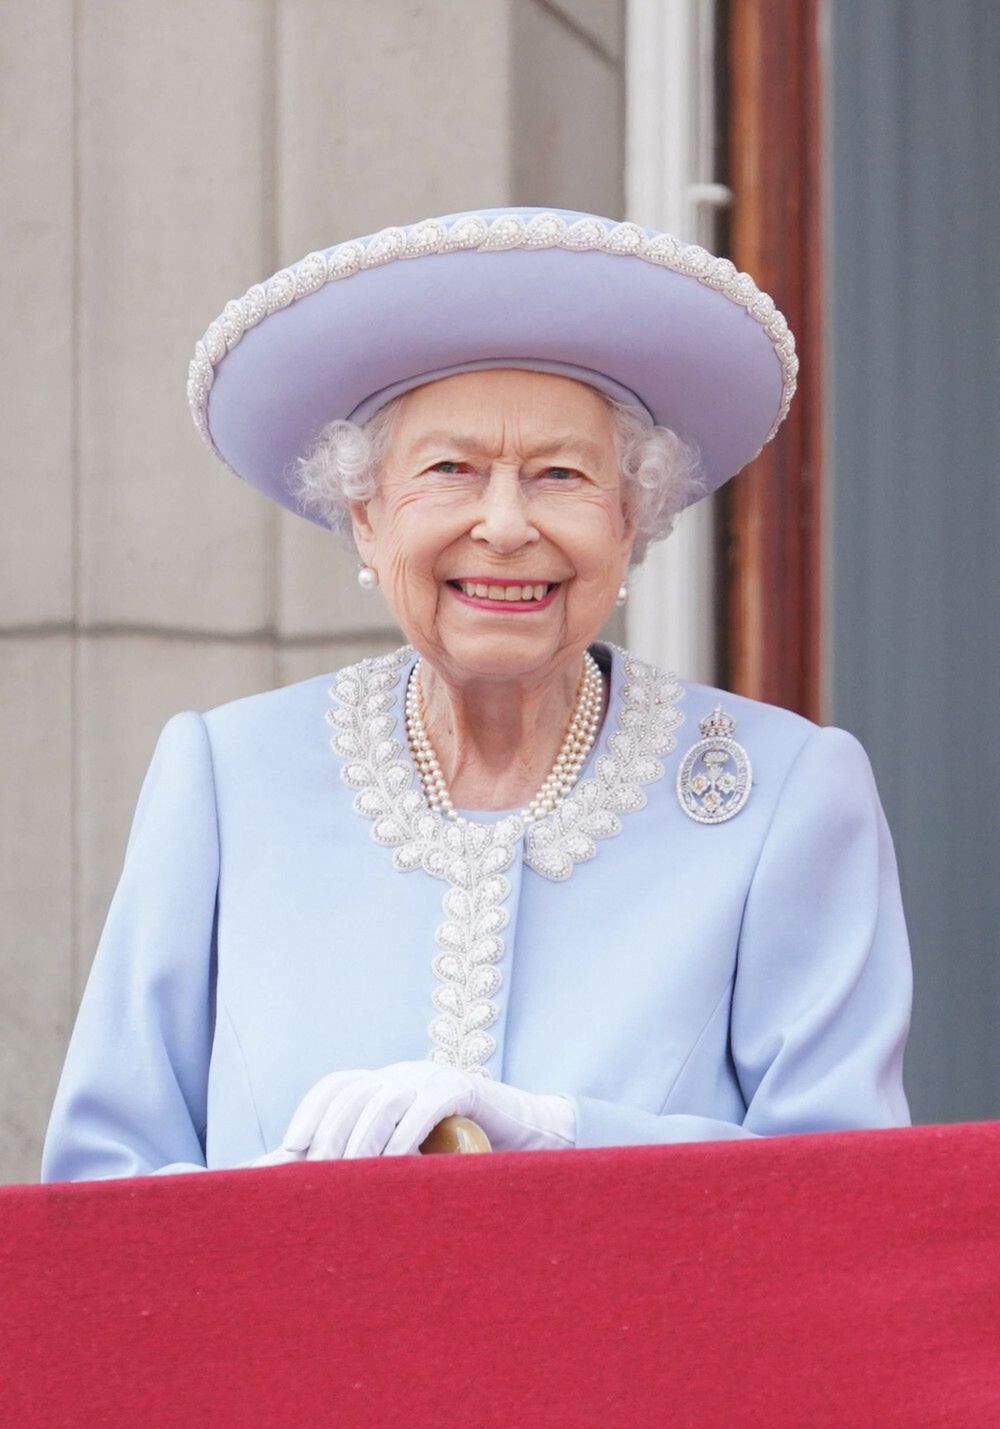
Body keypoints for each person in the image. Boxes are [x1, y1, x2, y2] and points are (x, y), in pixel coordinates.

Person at [40, 206, 912, 1181]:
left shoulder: (785, 794)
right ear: (365, 518)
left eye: (560, 475)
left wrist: (556, 1132)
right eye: (450, 470)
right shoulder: (224, 778)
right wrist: (282, 1218)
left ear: (630, 522)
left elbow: (846, 1191)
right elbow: (101, 1185)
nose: (504, 525)